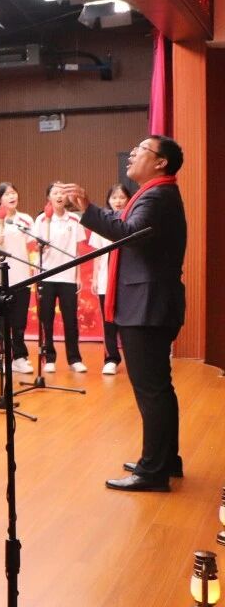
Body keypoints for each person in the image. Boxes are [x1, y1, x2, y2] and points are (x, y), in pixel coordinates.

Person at [62, 136, 187, 492]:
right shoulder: (153, 194)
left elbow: (129, 233)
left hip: (147, 307)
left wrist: (88, 210)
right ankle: (165, 460)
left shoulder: (157, 196)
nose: (132, 155)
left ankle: (153, 471)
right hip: (149, 304)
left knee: (152, 390)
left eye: (140, 150)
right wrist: (89, 208)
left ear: (161, 162)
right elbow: (121, 221)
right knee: (158, 388)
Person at [33, 183, 89, 373]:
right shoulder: (41, 219)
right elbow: (37, 248)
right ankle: (49, 358)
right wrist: (44, 235)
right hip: (46, 276)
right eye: (55, 193)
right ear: (48, 197)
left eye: (62, 193)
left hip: (68, 277)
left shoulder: (74, 219)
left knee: (70, 320)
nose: (59, 196)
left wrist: (78, 275)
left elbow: (78, 250)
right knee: (46, 320)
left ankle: (74, 359)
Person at [0, 182, 36, 374]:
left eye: (13, 193)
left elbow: (33, 246)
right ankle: (2, 357)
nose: (12, 196)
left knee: (19, 321)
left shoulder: (26, 220)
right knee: (2, 323)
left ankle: (20, 357)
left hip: (22, 276)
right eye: (7, 194)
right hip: (0, 278)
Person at [89, 183, 131, 375]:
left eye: (122, 197)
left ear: (128, 199)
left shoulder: (133, 220)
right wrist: (95, 278)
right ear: (108, 200)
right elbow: (98, 254)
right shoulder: (102, 221)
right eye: (114, 197)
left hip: (127, 280)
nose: (118, 201)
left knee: (128, 321)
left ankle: (133, 358)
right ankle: (111, 358)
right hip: (106, 279)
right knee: (109, 322)